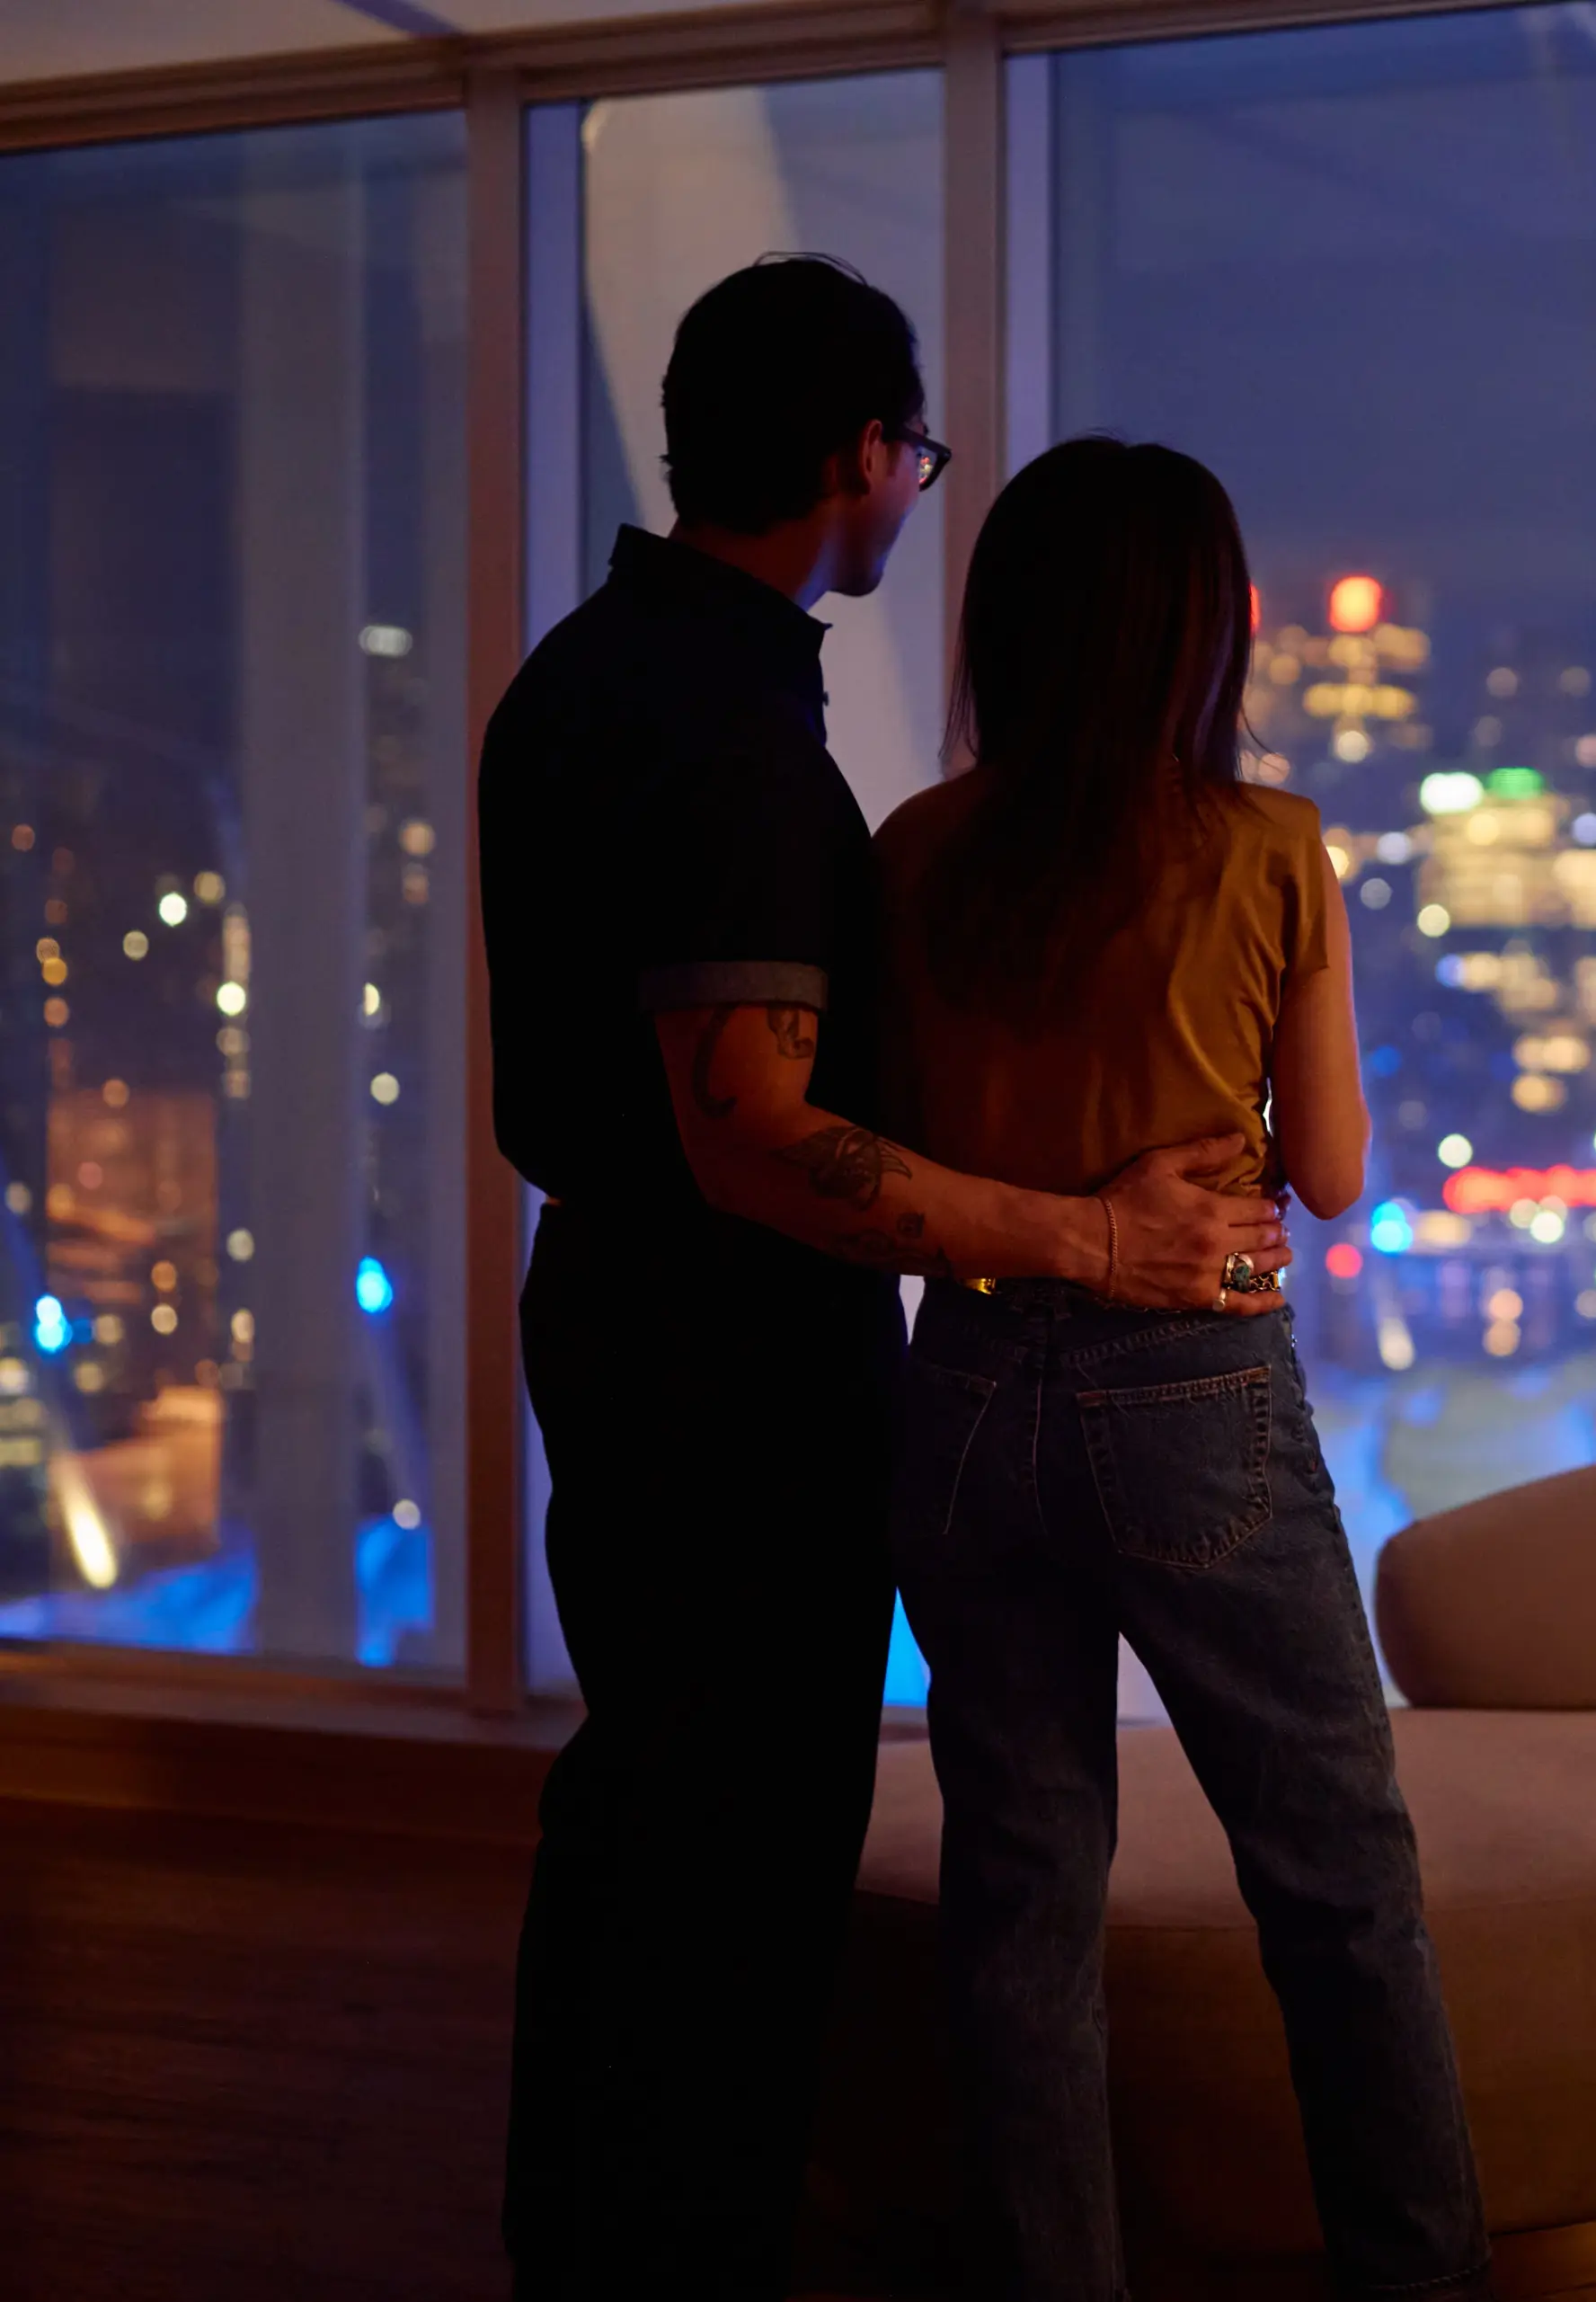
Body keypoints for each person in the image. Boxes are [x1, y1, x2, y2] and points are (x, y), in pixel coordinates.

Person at [477, 259, 1290, 2302]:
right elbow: (751, 1124)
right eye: (911, 449)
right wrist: (1098, 1230)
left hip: (610, 1316)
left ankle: (583, 2245)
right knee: (740, 1858)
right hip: (729, 1362)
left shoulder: (575, 674)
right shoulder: (733, 732)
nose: (917, 487)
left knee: (642, 1813)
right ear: (856, 455)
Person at [874, 438, 1489, 2302]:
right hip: (1187, 1398)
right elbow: (1331, 1170)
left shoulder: (916, 850)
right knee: (1339, 1894)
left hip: (967, 1387)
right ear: (1198, 638)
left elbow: (901, 1153)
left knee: (1022, 1900)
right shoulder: (1268, 847)